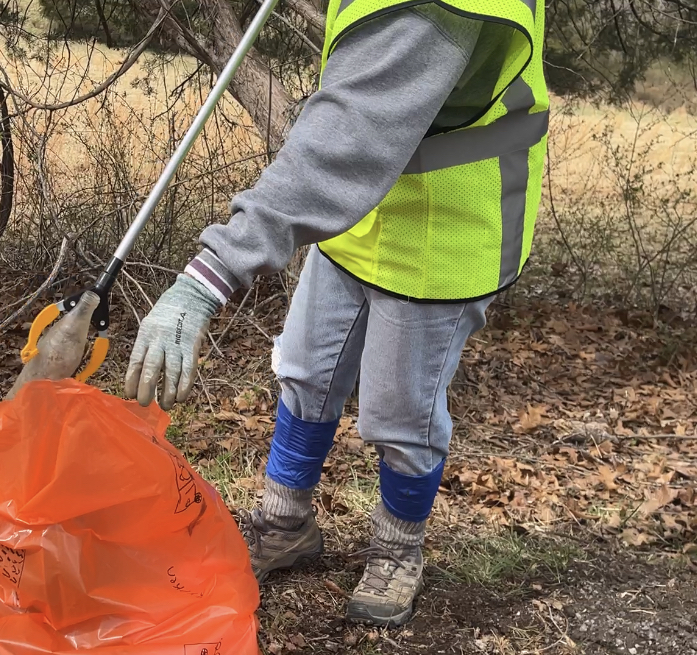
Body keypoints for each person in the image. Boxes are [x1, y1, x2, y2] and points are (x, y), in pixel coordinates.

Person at [124, 0, 548, 629]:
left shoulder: (435, 12)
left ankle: (398, 548)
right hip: (360, 214)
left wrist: (206, 279)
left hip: (448, 225)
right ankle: (284, 523)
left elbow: (347, 138)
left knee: (400, 412)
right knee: (306, 371)